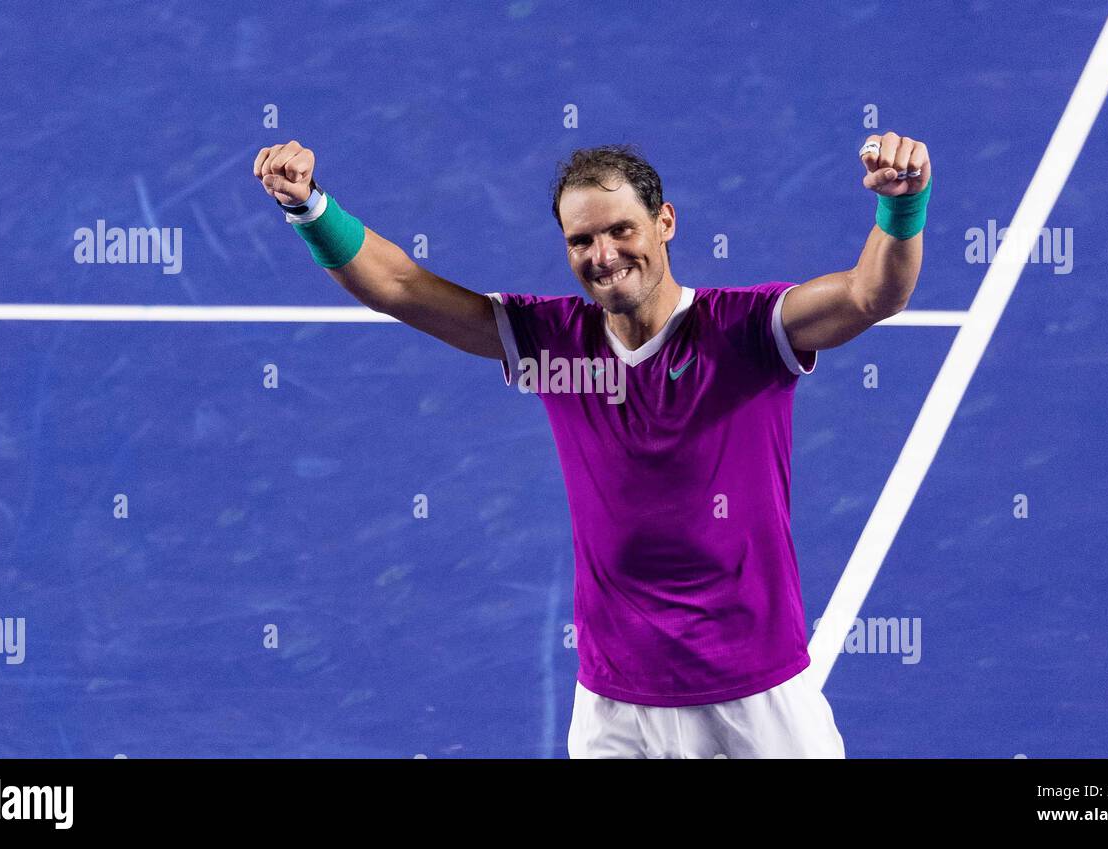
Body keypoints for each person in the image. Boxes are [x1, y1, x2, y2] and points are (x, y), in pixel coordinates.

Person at [253, 132, 931, 758]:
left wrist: (901, 208)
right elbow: (401, 287)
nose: (603, 255)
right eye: (582, 240)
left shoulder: (748, 331)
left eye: (620, 230)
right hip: (617, 700)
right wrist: (310, 208)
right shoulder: (552, 344)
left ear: (665, 223)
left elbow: (872, 293)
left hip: (755, 689)